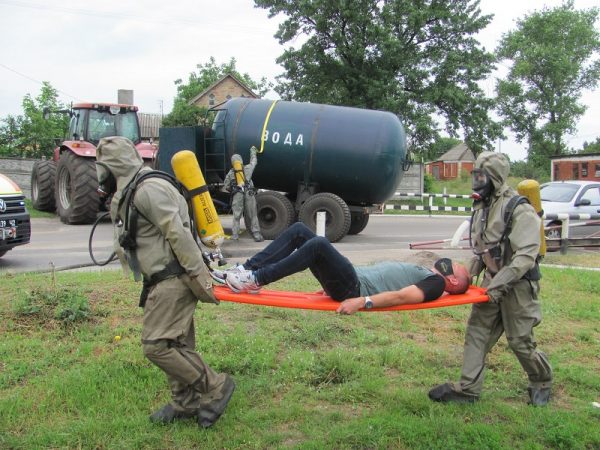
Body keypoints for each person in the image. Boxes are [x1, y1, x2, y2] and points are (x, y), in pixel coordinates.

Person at [95, 136, 235, 428]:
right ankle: (185, 402)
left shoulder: (148, 190)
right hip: (161, 278)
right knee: (177, 343)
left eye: (102, 169)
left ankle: (215, 385)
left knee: (156, 345)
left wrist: (199, 276)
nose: (100, 177)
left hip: (172, 278)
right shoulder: (137, 187)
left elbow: (178, 234)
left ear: (114, 166)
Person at [429, 151, 553, 406]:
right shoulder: (482, 207)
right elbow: (484, 249)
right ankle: (468, 389)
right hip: (490, 282)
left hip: (518, 286)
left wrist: (498, 285)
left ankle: (541, 380)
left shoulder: (520, 210)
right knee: (478, 332)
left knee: (520, 341)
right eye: (475, 175)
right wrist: (468, 272)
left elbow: (525, 256)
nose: (476, 182)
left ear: (495, 179)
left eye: (481, 176)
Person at [213, 222, 470, 313]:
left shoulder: (436, 285)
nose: (449, 265)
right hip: (350, 278)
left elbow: (401, 297)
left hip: (353, 288)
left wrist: (362, 303)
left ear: (454, 282)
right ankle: (245, 270)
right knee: (302, 231)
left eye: (454, 268)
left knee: (318, 245)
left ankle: (255, 278)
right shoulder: (431, 274)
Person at [223, 146, 263, 242]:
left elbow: (226, 186)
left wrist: (234, 190)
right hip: (249, 193)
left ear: (233, 162)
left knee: (236, 216)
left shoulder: (231, 173)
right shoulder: (248, 168)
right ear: (241, 160)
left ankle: (235, 235)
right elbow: (254, 162)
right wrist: (253, 152)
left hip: (237, 195)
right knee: (252, 215)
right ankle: (257, 235)